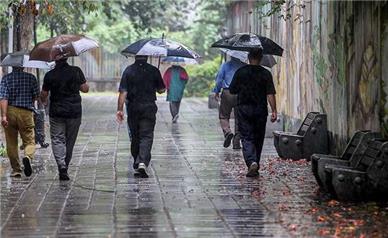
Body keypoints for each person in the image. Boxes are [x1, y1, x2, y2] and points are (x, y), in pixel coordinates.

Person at [229, 48, 277, 177]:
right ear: (261, 58)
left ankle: (252, 162)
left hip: (244, 109)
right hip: (260, 110)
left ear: (248, 57)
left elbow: (232, 90)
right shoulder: (266, 73)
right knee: (258, 137)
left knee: (246, 137)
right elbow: (270, 93)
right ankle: (255, 162)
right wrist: (274, 110)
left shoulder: (241, 72)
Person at [40, 57, 89, 181]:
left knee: (57, 139)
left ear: (55, 61)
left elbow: (43, 95)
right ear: (67, 58)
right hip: (74, 112)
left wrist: (44, 101)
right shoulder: (76, 71)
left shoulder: (49, 75)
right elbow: (85, 89)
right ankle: (64, 166)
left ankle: (61, 165)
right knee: (69, 141)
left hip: (56, 112)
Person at [117, 55, 165, 178]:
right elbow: (161, 90)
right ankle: (142, 162)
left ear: (135, 56)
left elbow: (123, 92)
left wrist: (120, 109)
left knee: (135, 135)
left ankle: (137, 161)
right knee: (147, 135)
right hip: (149, 107)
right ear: (147, 57)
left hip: (133, 108)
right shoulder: (154, 70)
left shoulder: (128, 70)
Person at [0, 66, 39, 177]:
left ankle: (16, 170)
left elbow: (3, 98)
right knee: (29, 140)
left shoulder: (6, 79)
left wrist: (3, 116)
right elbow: (36, 96)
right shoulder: (31, 78)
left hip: (10, 111)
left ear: (12, 66)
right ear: (22, 66)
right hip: (26, 112)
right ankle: (28, 156)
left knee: (11, 142)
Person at [213, 56, 246, 149]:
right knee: (239, 117)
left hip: (228, 93)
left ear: (231, 55)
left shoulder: (225, 65)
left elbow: (219, 79)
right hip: (241, 93)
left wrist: (216, 91)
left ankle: (227, 132)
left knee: (224, 116)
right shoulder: (244, 66)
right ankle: (236, 142)